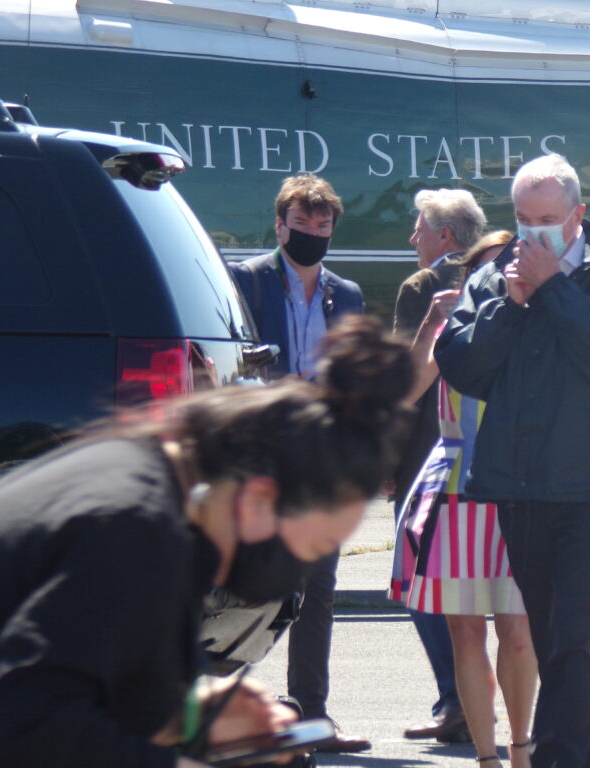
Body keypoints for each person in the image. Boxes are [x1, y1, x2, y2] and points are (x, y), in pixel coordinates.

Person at [0, 316, 414, 768]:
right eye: (314, 547)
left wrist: (193, 712)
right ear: (261, 499)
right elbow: (28, 731)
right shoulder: (135, 531)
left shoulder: (151, 483)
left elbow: (79, 677)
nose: (305, 570)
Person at [435, 153, 590, 768]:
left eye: (549, 218)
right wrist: (511, 303)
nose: (535, 232)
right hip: (520, 484)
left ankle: (556, 758)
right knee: (556, 639)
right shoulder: (493, 278)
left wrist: (554, 288)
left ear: (578, 215)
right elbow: (463, 369)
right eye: (525, 219)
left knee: (572, 635)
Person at [228, 173, 369, 753]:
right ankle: (232, 718)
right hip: (260, 462)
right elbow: (231, 362)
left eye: (322, 224)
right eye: (302, 223)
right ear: (280, 224)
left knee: (318, 591)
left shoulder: (348, 295)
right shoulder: (246, 280)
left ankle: (312, 715)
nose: (313, 233)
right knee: (240, 594)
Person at [391, 230, 537, 768]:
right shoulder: (452, 325)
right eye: (488, 268)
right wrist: (432, 322)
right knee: (464, 628)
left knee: (518, 628)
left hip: (520, 487)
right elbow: (405, 391)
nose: (501, 276)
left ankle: (519, 747)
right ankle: (486, 757)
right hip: (454, 485)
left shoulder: (534, 323)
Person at [392, 189, 487, 744]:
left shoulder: (423, 288)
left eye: (419, 229)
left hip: (432, 455)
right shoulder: (500, 271)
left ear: (444, 235)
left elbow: (409, 382)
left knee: (422, 586)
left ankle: (455, 699)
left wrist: (387, 461)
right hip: (494, 455)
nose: (413, 239)